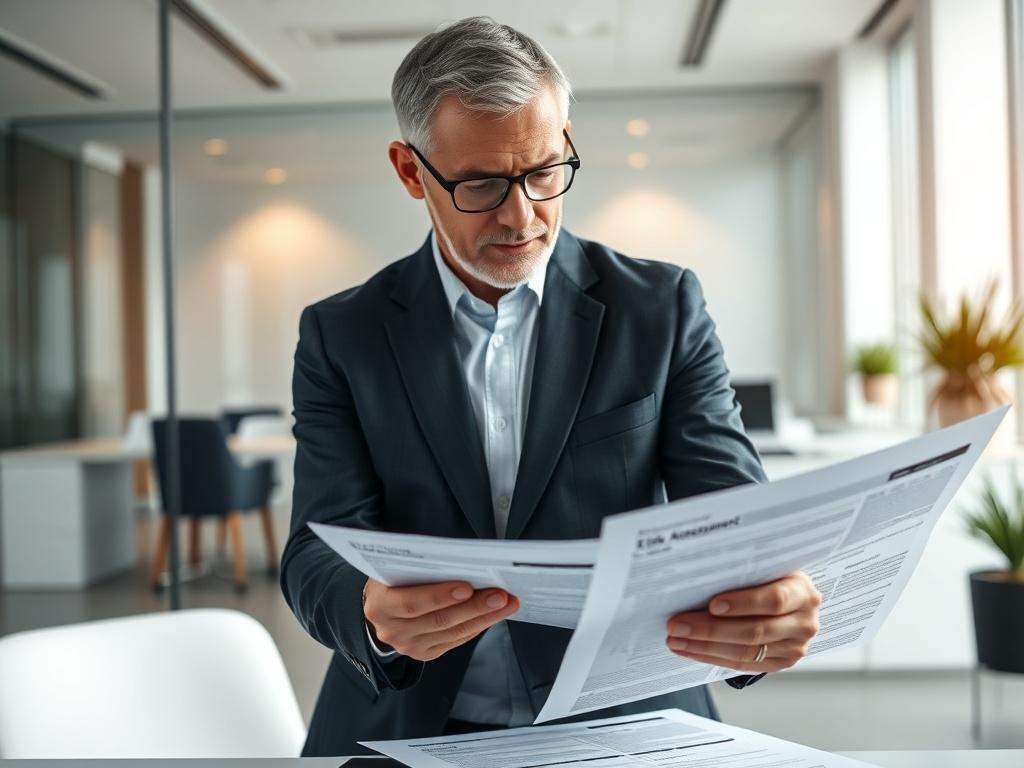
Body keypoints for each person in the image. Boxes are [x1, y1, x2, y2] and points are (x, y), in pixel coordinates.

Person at [281, 16, 821, 758]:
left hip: (629, 719)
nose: (520, 215)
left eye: (543, 172)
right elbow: (315, 548)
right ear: (411, 172)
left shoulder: (660, 309)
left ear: (566, 142)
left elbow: (730, 519)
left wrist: (764, 603)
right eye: (480, 184)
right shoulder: (342, 334)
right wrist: (370, 612)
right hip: (409, 724)